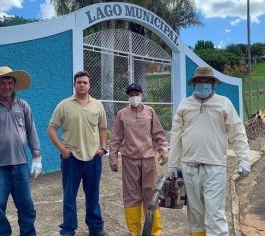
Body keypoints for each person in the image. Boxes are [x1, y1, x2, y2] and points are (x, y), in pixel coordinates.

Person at [168, 66, 250, 236]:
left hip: (214, 167)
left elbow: (237, 132)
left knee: (215, 215)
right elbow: (176, 136)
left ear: (213, 84)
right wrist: (173, 164)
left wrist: (244, 159)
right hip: (189, 167)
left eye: (207, 82)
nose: (203, 85)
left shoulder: (224, 103)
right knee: (195, 216)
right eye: (200, 81)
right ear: (194, 84)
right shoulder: (185, 105)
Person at [0, 66, 42, 236]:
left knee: (27, 207)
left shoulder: (23, 106)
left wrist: (37, 156)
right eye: (3, 83)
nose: (7, 86)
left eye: (10, 83)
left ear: (15, 85)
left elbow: (32, 131)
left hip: (21, 165)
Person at [47, 71, 108, 236]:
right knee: (69, 197)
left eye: (85, 82)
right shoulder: (64, 105)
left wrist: (103, 148)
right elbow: (51, 128)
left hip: (93, 158)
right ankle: (68, 229)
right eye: (79, 82)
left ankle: (96, 227)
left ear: (89, 85)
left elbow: (103, 128)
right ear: (74, 84)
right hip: (71, 159)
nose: (82, 85)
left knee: (93, 195)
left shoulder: (97, 105)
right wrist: (62, 150)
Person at [109, 83, 169, 236]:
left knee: (151, 195)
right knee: (131, 196)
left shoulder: (150, 112)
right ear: (128, 97)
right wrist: (113, 157)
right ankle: (134, 232)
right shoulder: (122, 114)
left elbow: (158, 134)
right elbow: (116, 137)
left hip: (148, 159)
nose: (134, 97)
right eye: (131, 94)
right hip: (130, 161)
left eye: (136, 93)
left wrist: (163, 150)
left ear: (142, 95)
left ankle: (155, 232)